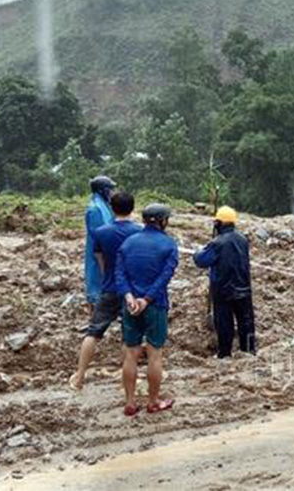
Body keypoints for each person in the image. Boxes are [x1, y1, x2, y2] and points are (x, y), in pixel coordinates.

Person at [70, 192, 143, 390]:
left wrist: (108, 277)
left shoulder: (101, 233)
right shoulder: (139, 232)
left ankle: (79, 377)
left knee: (93, 332)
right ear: (132, 208)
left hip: (109, 287)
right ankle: (126, 380)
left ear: (112, 207)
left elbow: (100, 260)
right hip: (132, 291)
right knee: (129, 337)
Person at [115, 203, 178, 416]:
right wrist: (147, 299)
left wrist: (129, 296)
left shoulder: (127, 243)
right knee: (154, 354)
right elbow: (165, 277)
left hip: (130, 305)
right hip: (155, 304)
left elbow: (119, 273)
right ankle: (153, 402)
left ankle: (130, 403)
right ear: (163, 221)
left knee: (130, 353)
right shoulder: (168, 245)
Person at [193, 206, 256, 358]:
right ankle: (249, 351)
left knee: (224, 324)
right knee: (246, 322)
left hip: (223, 290)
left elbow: (202, 261)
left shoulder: (217, 243)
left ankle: (225, 354)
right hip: (243, 287)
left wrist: (197, 252)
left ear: (218, 223)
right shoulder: (242, 239)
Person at [84, 175, 116, 310]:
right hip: (99, 251)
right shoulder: (95, 209)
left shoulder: (104, 206)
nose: (113, 193)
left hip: (105, 249)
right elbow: (99, 234)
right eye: (111, 190)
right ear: (103, 190)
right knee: (97, 275)